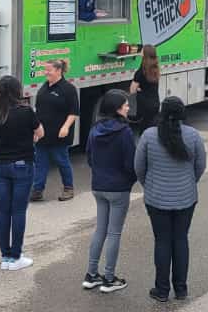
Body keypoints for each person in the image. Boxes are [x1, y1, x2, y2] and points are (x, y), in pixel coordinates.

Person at [136, 97, 207, 303]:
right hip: (186, 198)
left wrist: (149, 185)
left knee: (162, 241)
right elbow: (200, 166)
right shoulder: (193, 135)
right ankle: (181, 288)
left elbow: (139, 167)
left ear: (161, 112)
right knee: (181, 239)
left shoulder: (149, 135)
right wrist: (188, 182)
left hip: (156, 198)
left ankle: (162, 290)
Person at [0, 75, 43, 270]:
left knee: (4, 210)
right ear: (17, 91)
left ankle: (5, 256)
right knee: (18, 211)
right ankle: (16, 256)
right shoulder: (26, 112)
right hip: (22, 164)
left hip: (1, 165)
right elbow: (40, 132)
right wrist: (29, 141)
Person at [84, 89, 138, 293]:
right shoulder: (124, 132)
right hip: (119, 188)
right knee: (114, 232)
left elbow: (89, 156)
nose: (128, 107)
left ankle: (91, 274)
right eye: (125, 105)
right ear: (117, 108)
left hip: (98, 185)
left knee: (100, 230)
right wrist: (130, 180)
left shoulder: (94, 129)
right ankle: (109, 277)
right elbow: (130, 163)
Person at [31, 60, 79, 202]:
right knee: (40, 162)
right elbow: (38, 110)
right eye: (45, 70)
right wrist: (35, 130)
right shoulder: (44, 87)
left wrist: (65, 127)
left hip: (59, 134)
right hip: (43, 134)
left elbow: (74, 112)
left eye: (48, 70)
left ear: (58, 71)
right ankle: (37, 190)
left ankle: (68, 188)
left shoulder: (68, 89)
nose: (46, 72)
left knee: (62, 160)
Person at [130, 45, 162, 136]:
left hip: (144, 105)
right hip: (155, 103)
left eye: (142, 50)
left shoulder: (140, 72)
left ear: (144, 54)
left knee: (144, 131)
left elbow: (132, 90)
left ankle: (144, 148)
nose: (140, 51)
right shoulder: (156, 69)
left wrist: (139, 90)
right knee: (153, 129)